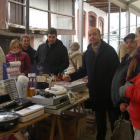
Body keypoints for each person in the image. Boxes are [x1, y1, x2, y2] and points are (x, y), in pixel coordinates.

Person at [63, 27, 120, 140]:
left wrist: (113, 88)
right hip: (95, 92)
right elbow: (84, 70)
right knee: (100, 122)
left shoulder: (109, 50)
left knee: (114, 120)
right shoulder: (87, 53)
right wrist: (71, 76)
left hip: (109, 93)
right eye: (90, 35)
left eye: (94, 34)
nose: (92, 36)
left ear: (100, 36)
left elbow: (116, 72)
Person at [111, 33, 137, 109]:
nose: (128, 44)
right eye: (126, 42)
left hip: (127, 103)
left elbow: (131, 82)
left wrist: (122, 101)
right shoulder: (126, 59)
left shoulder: (135, 61)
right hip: (120, 101)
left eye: (132, 41)